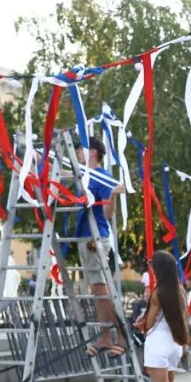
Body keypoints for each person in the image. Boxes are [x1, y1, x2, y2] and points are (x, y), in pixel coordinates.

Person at [76, 138, 127, 358]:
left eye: (81, 149)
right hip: (86, 237)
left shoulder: (101, 176)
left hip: (95, 238)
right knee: (98, 291)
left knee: (101, 290)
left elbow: (107, 214)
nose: (77, 152)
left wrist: (113, 196)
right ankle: (105, 335)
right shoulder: (85, 175)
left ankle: (121, 334)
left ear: (93, 152)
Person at [142, 252, 191, 382]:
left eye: (151, 263)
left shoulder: (158, 292)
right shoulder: (180, 290)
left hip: (158, 344)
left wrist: (142, 323)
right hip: (174, 344)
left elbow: (150, 322)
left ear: (158, 268)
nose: (150, 266)